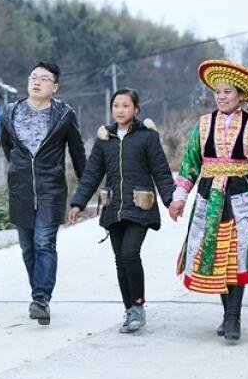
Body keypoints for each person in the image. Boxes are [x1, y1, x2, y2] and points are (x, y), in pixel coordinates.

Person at [168, 59, 248, 341]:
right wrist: (179, 197)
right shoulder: (203, 124)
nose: (221, 97)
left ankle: (234, 317)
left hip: (240, 196)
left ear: (240, 95)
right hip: (209, 196)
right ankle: (226, 313)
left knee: (236, 255)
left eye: (227, 92)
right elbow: (190, 163)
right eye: (217, 92)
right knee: (217, 254)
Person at [68, 89, 176, 333]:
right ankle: (129, 309)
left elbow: (161, 171)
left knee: (130, 254)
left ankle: (138, 306)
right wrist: (78, 203)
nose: (120, 110)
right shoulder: (104, 139)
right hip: (113, 207)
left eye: (126, 105)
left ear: (136, 109)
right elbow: (92, 174)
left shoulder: (147, 137)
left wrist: (171, 201)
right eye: (116, 105)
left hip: (140, 206)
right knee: (120, 260)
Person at [0, 61, 86, 326]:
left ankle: (40, 299)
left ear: (55, 87)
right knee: (27, 248)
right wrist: (19, 172)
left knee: (44, 243)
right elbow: (8, 148)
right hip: (21, 190)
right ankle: (38, 295)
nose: (37, 82)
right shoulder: (10, 112)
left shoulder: (64, 114)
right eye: (33, 77)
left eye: (44, 79)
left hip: (51, 189)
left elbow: (78, 153)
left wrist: (84, 191)